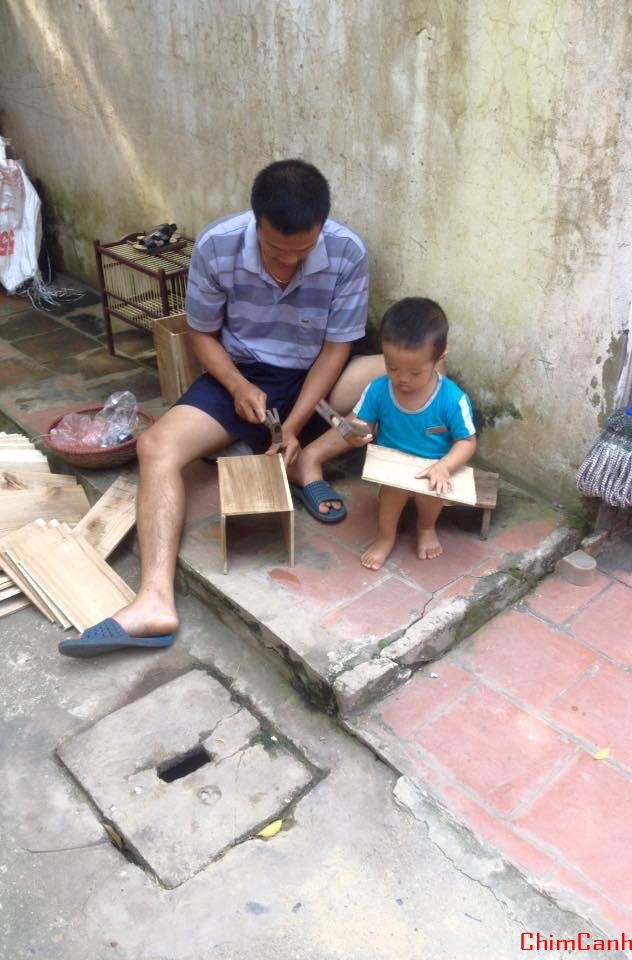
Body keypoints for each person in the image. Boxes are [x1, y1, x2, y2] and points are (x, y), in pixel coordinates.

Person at [58, 159, 371, 657]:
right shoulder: (217, 244)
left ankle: (301, 456)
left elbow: (337, 349)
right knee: (156, 447)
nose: (288, 264)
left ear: (322, 227)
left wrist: (291, 425)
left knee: (398, 375)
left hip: (316, 376)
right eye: (276, 250)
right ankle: (154, 602)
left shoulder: (347, 251)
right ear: (256, 222)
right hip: (242, 373)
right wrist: (237, 385)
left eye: (303, 252)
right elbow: (200, 333)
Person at [305, 298, 477, 571]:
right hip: (392, 466)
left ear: (439, 358)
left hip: (432, 465)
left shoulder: (452, 399)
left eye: (415, 372)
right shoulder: (378, 389)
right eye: (392, 367)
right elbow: (362, 422)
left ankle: (426, 528)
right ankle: (385, 538)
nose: (402, 379)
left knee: (432, 498)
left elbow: (466, 441)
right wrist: (355, 434)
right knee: (390, 498)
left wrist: (445, 466)